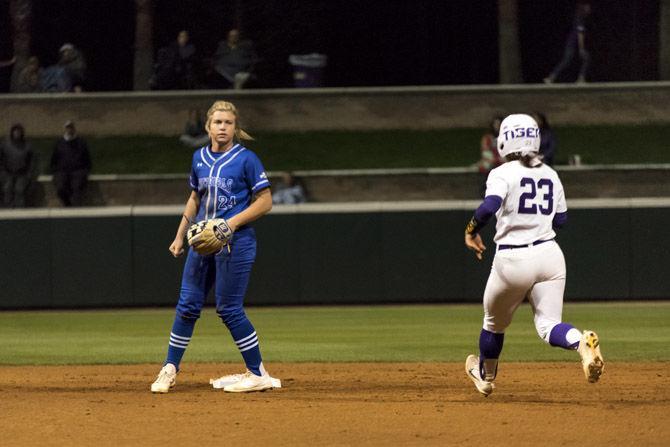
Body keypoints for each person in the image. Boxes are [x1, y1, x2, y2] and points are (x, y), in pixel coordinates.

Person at [463, 113, 604, 397]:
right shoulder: (550, 173)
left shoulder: (502, 173)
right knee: (548, 325)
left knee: (493, 323)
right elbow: (561, 220)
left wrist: (471, 229)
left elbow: (489, 206)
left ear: (505, 140)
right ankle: (581, 343)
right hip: (550, 254)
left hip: (512, 259)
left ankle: (486, 377)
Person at [151, 100, 280, 394]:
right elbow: (195, 198)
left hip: (236, 242)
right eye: (218, 122)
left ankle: (257, 372)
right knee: (187, 306)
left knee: (228, 308)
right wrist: (179, 235)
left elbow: (265, 201)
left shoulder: (247, 159)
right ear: (208, 126)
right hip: (201, 241)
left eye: (229, 123)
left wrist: (230, 224)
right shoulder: (198, 158)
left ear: (236, 127)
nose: (223, 127)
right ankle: (169, 369)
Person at [543, 2, 591, 84]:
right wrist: (581, 48)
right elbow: (580, 35)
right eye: (588, 8)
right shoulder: (580, 19)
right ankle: (551, 78)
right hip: (572, 44)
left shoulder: (579, 18)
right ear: (583, 9)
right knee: (572, 60)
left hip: (572, 44)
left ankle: (552, 77)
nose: (589, 10)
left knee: (571, 60)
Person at [50, 121, 91, 206]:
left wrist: (85, 170)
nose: (70, 130)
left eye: (71, 128)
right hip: (62, 170)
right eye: (68, 128)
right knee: (60, 188)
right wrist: (54, 170)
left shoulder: (81, 142)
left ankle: (75, 211)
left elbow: (87, 158)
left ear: (74, 129)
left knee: (77, 189)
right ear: (65, 129)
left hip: (78, 170)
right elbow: (54, 158)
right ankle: (68, 205)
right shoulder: (60, 142)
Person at [0, 124, 36, 207]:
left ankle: (19, 209)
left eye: (19, 132)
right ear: (12, 133)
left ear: (21, 133)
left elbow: (32, 161)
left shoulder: (27, 146)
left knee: (19, 190)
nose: (17, 134)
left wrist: (29, 173)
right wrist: (2, 172)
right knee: (7, 189)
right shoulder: (5, 145)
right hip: (8, 173)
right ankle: (8, 209)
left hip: (22, 174)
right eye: (15, 132)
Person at [476, 116, 503, 197]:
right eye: (496, 124)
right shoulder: (487, 138)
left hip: (503, 163)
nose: (497, 126)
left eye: (499, 124)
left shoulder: (506, 138)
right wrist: (496, 160)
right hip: (491, 163)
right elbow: (486, 152)